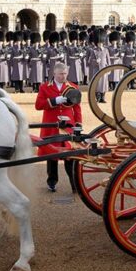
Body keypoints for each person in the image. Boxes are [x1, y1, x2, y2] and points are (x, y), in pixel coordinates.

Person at [35, 62, 82, 193]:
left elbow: (77, 109)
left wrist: (78, 125)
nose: (63, 76)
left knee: (70, 155)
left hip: (68, 127)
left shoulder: (73, 87)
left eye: (65, 73)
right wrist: (55, 101)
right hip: (51, 125)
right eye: (61, 74)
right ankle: (52, 182)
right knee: (51, 155)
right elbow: (38, 105)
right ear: (54, 73)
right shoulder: (45, 87)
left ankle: (74, 184)